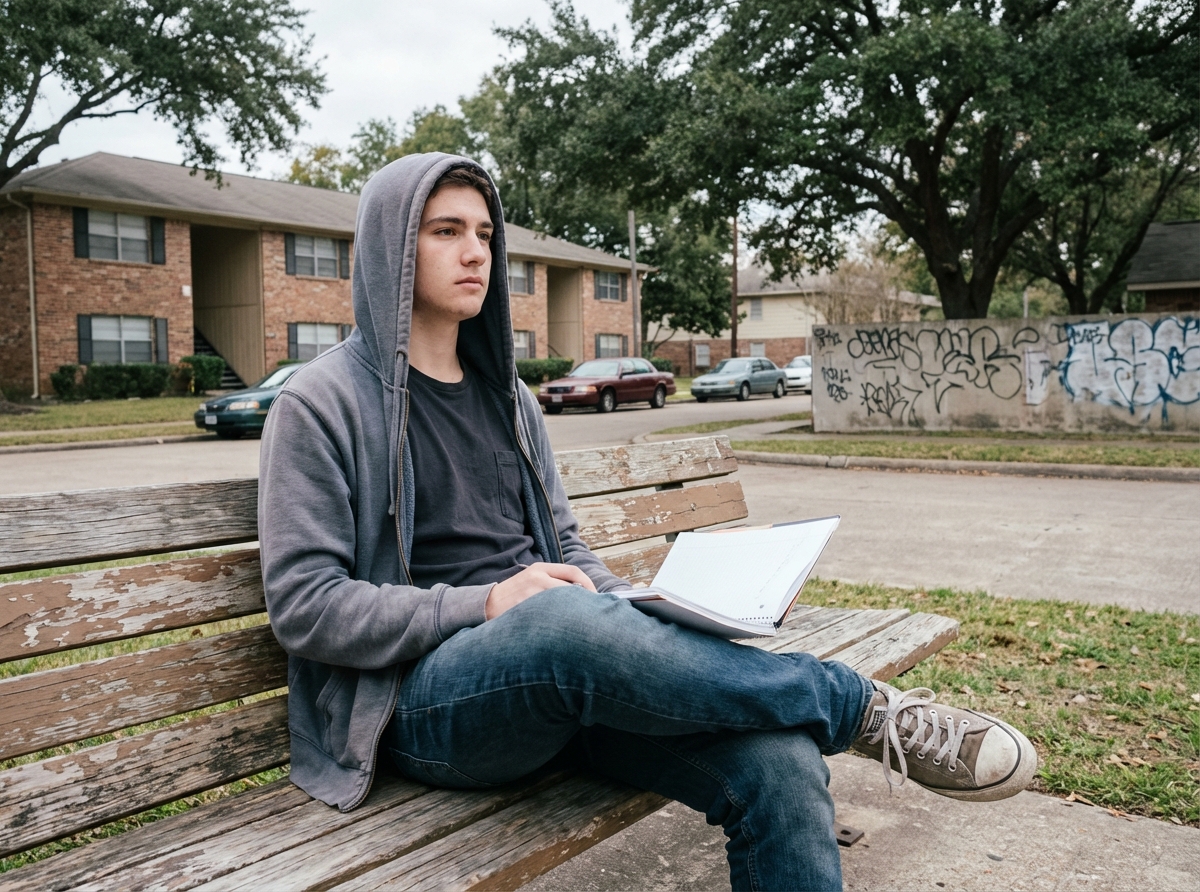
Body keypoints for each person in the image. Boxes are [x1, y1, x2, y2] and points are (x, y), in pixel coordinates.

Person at [259, 153, 1037, 892]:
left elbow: (562, 549)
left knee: (780, 765)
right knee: (561, 621)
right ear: (393, 246)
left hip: (563, 677)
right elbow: (306, 605)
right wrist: (486, 604)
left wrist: (644, 608)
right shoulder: (321, 404)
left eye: (486, 235)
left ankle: (817, 711)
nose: (476, 253)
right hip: (423, 706)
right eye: (446, 231)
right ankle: (854, 704)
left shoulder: (510, 402)